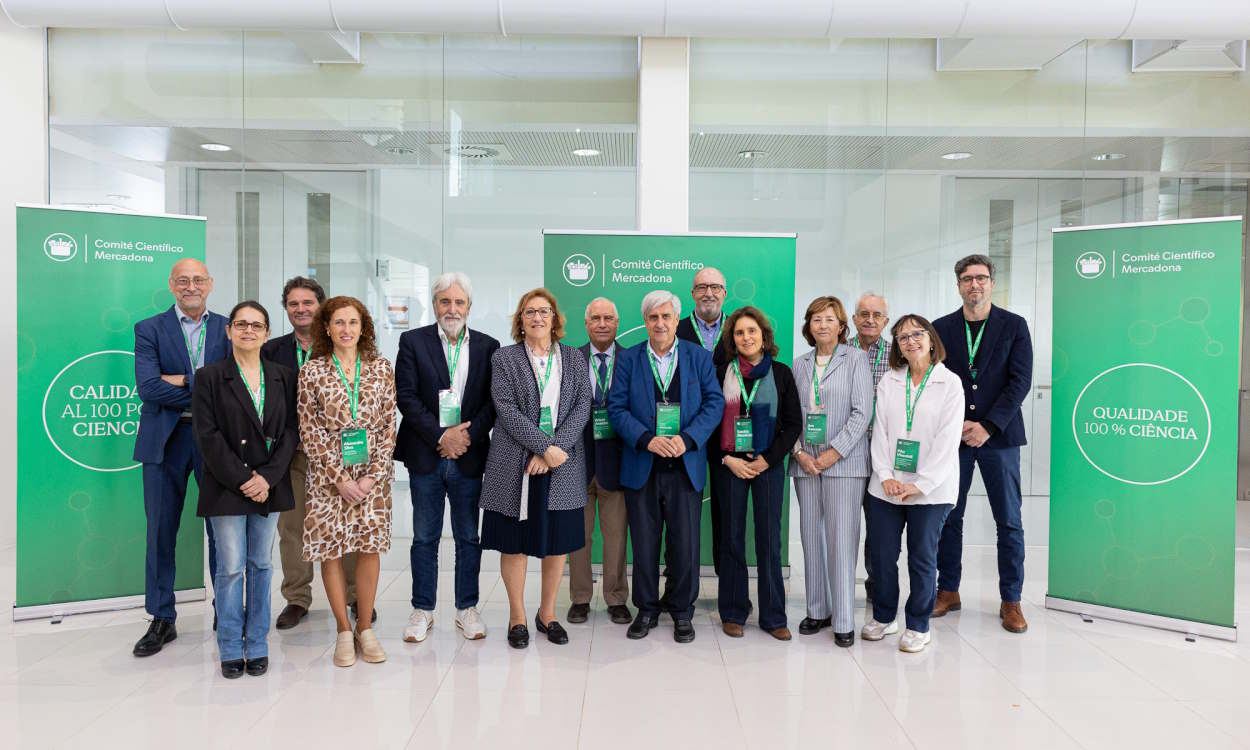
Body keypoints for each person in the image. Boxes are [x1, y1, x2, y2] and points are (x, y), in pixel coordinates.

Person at [607, 290, 723, 644]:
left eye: (666, 317)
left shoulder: (698, 357)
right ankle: (646, 608)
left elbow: (714, 403)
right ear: (645, 322)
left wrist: (687, 439)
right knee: (644, 542)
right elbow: (616, 408)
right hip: (643, 462)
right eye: (653, 317)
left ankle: (681, 611)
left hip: (685, 463)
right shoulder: (628, 361)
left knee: (685, 543)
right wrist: (646, 439)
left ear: (677, 319)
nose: (660, 323)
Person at [479, 288, 591, 648]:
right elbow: (506, 409)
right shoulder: (504, 358)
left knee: (557, 543)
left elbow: (582, 408)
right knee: (513, 544)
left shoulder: (574, 358)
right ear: (520, 320)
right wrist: (544, 447)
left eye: (544, 311)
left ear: (555, 318)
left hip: (562, 465)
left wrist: (554, 450)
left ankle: (547, 614)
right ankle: (517, 617)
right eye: (530, 312)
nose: (538, 318)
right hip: (515, 463)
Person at [193, 301, 298, 678]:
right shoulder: (209, 376)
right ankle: (229, 647)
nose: (248, 331)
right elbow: (208, 436)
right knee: (231, 568)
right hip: (227, 485)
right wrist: (243, 479)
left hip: (268, 484)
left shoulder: (284, 376)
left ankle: (256, 644)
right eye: (241, 324)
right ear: (229, 331)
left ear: (267, 332)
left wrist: (266, 477)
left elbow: (290, 432)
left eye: (256, 325)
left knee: (262, 564)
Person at [132, 258, 228, 658]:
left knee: (223, 530)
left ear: (210, 283)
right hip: (164, 441)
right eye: (183, 280)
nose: (191, 286)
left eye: (198, 280)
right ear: (172, 285)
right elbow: (149, 388)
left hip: (215, 440)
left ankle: (226, 611)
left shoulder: (228, 327)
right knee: (160, 531)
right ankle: (161, 617)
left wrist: (182, 380)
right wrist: (203, 382)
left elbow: (235, 384)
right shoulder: (149, 328)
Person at [932, 254, 1034, 634]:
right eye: (967, 279)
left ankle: (1011, 600)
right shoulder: (941, 328)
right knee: (948, 516)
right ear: (958, 285)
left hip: (1000, 437)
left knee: (1008, 520)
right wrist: (958, 424)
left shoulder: (1014, 326)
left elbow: (1020, 382)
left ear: (992, 283)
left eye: (982, 278)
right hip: (954, 438)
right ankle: (948, 590)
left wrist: (988, 425)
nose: (974, 285)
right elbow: (935, 381)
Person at [395, 272, 498, 643]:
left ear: (469, 307)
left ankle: (466, 608)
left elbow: (493, 402)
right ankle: (422, 609)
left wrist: (464, 436)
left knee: (469, 536)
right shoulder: (412, 341)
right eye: (445, 301)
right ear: (435, 304)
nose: (451, 308)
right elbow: (405, 396)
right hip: (426, 454)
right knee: (424, 537)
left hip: (469, 456)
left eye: (459, 302)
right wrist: (441, 435)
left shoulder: (489, 346)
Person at [297, 296, 397, 667]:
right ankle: (342, 629)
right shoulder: (312, 371)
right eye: (339, 322)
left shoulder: (381, 368)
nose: (346, 329)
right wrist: (339, 478)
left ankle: (365, 627)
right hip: (328, 479)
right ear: (326, 327)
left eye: (353, 322)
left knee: (369, 547)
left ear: (363, 327)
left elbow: (390, 424)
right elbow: (308, 429)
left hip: (372, 477)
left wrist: (372, 476)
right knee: (332, 550)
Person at [263, 277, 365, 631]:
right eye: (293, 303)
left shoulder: (340, 345)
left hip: (341, 456)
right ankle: (297, 598)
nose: (301, 309)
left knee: (348, 525)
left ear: (321, 306)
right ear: (286, 309)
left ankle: (355, 597)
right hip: (291, 455)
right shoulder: (270, 350)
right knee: (292, 528)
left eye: (308, 302)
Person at [862, 315, 964, 653]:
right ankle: (884, 616)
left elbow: (948, 441)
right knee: (882, 555)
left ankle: (919, 624)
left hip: (931, 491)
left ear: (931, 339)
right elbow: (880, 433)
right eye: (902, 337)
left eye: (917, 334)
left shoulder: (949, 383)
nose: (910, 341)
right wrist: (886, 476)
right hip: (886, 487)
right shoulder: (890, 381)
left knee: (922, 557)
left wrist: (920, 484)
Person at [711, 307, 802, 641]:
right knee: (731, 538)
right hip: (730, 466)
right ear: (732, 339)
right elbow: (708, 420)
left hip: (768, 466)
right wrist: (725, 458)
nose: (746, 337)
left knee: (768, 539)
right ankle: (733, 611)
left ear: (764, 336)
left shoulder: (781, 373)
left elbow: (793, 423)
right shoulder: (720, 372)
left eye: (752, 331)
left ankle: (774, 615)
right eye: (739, 333)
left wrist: (768, 459)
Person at [789, 296, 873, 647]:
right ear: (808, 326)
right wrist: (799, 453)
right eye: (815, 319)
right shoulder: (799, 364)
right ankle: (817, 609)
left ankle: (843, 619)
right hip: (804, 462)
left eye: (829, 319)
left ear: (841, 326)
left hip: (844, 464)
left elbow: (862, 412)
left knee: (841, 540)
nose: (822, 325)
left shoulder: (856, 359)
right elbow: (791, 415)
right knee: (811, 537)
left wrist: (833, 453)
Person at [566, 297, 632, 626]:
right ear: (586, 323)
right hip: (575, 463)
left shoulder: (632, 359)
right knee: (578, 536)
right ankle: (579, 598)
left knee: (616, 536)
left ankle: (616, 598)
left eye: (608, 317)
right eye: (596, 318)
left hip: (617, 464)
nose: (602, 323)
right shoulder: (568, 359)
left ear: (617, 323)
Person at [675, 266, 731, 577]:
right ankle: (678, 586)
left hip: (730, 436)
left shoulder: (741, 329)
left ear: (725, 292)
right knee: (679, 514)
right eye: (701, 287)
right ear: (692, 293)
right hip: (685, 434)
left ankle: (728, 588)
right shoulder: (674, 329)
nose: (708, 293)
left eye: (715, 287)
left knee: (726, 513)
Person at [850, 292, 891, 605]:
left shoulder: (897, 356)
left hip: (882, 453)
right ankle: (838, 585)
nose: (870, 320)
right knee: (843, 524)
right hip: (846, 451)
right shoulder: (838, 353)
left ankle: (877, 587)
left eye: (877, 315)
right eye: (864, 314)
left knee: (879, 526)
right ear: (853, 320)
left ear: (886, 322)